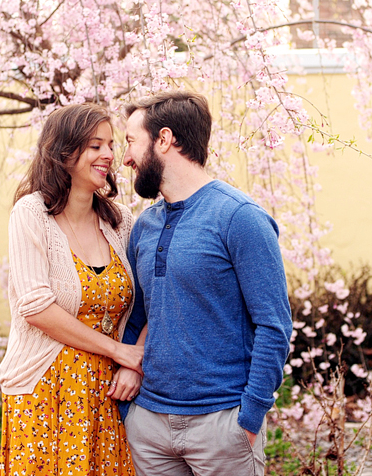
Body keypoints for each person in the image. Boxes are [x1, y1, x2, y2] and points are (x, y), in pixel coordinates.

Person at [119, 91, 293, 476]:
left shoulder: (239, 217)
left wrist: (249, 417)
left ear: (164, 140)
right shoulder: (145, 226)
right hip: (149, 426)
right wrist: (129, 407)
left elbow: (274, 324)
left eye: (131, 142)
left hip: (222, 425)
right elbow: (139, 315)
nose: (126, 158)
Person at [0, 103, 143, 476]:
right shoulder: (31, 214)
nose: (108, 155)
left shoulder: (121, 221)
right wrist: (118, 351)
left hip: (107, 394)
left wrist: (135, 363)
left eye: (110, 145)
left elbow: (152, 300)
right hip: (44, 390)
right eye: (95, 146)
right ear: (64, 152)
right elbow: (36, 307)